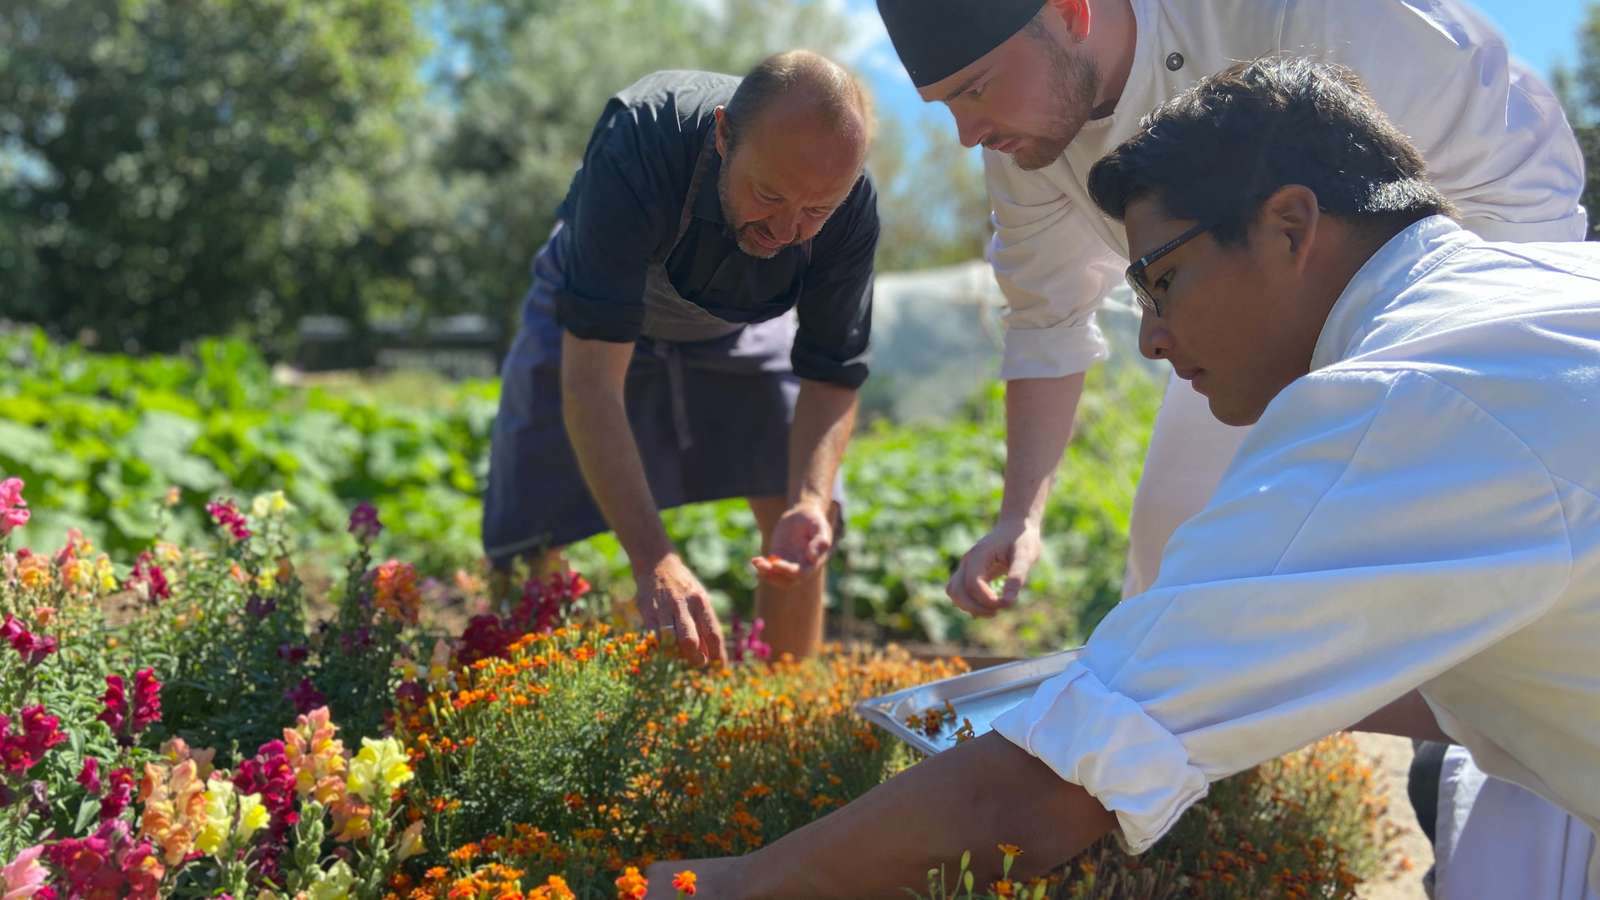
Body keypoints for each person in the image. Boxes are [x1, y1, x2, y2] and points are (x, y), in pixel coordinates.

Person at [642, 56, 1600, 898]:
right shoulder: (1542, 295)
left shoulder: (1401, 398)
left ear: (1289, 226)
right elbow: (1510, 668)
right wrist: (1199, 671)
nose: (1151, 338)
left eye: (1162, 281)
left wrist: (728, 885)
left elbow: (1043, 794)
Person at [482, 52, 879, 664]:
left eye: (815, 213)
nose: (785, 230)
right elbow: (591, 384)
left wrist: (810, 498)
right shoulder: (640, 139)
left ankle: (781, 708)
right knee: (526, 533)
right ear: (723, 135)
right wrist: (654, 558)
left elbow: (832, 374)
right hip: (595, 320)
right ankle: (516, 690)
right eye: (768, 195)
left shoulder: (849, 205)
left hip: (736, 331)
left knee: (797, 514)